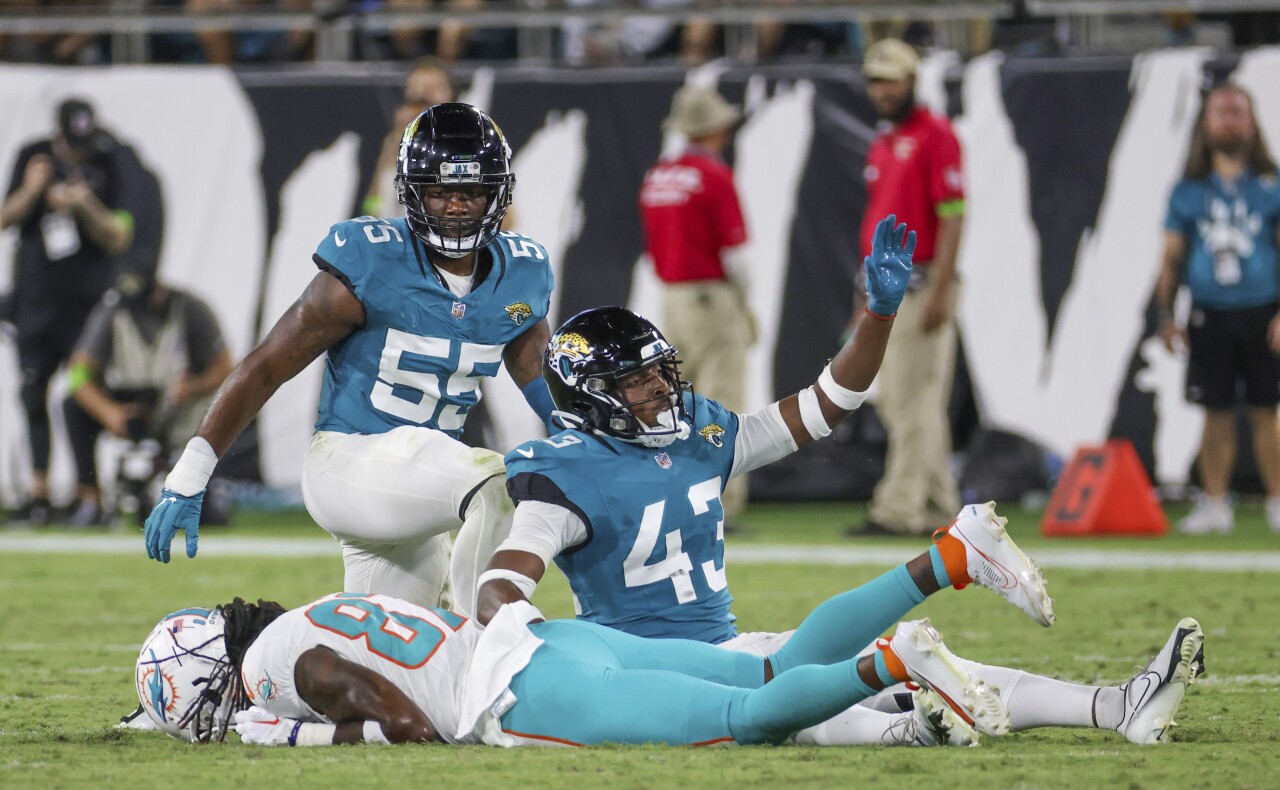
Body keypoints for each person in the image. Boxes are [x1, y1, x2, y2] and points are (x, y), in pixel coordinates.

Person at [472, 219, 1203, 746]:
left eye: (661, 372)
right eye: (637, 382)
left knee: (941, 670)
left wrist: (879, 316)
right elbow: (507, 579)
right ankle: (913, 717)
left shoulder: (698, 433)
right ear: (595, 397)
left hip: (736, 645)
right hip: (651, 671)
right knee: (831, 702)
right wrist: (517, 631)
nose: (663, 391)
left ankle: (1113, 704)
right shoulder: (563, 471)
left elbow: (826, 405)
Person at [142, 103, 559, 620]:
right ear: (410, 191)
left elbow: (550, 390)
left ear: (497, 193)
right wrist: (191, 473)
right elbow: (268, 365)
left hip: (416, 488)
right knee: (498, 481)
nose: (455, 206)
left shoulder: (520, 272)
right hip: (349, 462)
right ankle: (495, 635)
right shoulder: (370, 259)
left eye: (471, 192)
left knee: (395, 654)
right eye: (439, 191)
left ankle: (277, 689)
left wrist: (600, 450)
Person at [136, 589, 1008, 748]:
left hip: (522, 691)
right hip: (551, 638)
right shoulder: (306, 613)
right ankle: (939, 562)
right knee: (766, 669)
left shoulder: (279, 671)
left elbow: (405, 726)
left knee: (746, 724)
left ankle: (891, 660)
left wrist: (299, 738)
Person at [846, 38, 964, 538]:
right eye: (875, 80)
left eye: (891, 79)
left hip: (921, 285)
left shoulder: (936, 135)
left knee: (912, 398)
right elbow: (877, 223)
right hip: (886, 288)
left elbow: (954, 215)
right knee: (901, 399)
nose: (882, 89)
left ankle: (897, 509)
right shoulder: (884, 140)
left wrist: (942, 288)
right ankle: (939, 505)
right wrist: (863, 294)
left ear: (913, 80)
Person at [1, 98, 139, 526]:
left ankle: (89, 495)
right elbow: (5, 218)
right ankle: (38, 495)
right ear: (58, 135)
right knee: (32, 393)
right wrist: (33, 189)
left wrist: (85, 205)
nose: (81, 153)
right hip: (36, 303)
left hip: (86, 309)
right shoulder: (33, 156)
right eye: (73, 144)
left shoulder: (108, 162)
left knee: (82, 395)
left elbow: (119, 236)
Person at [1155, 82, 1280, 534]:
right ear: (1205, 124)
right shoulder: (1188, 190)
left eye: (1237, 112)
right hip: (1210, 312)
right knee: (1216, 412)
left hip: (1263, 312)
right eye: (1221, 112)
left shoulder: (1272, 184)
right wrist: (1165, 316)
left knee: (1268, 410)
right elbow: (1170, 258)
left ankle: (1277, 502)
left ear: (1252, 121)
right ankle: (1214, 503)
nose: (1229, 120)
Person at [639, 84, 757, 526]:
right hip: (712, 295)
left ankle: (676, 497)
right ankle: (720, 504)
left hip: (671, 300)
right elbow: (737, 256)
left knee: (672, 404)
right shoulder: (713, 175)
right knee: (721, 403)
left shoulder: (657, 175)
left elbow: (653, 251)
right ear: (717, 129)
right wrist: (744, 305)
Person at [62, 273, 233, 527]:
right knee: (73, 406)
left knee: (216, 409)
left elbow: (225, 365)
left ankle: (198, 493)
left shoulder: (191, 309)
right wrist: (109, 412)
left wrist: (195, 386)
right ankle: (90, 499)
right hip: (127, 402)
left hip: (178, 405)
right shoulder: (111, 309)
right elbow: (78, 372)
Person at [364, 61, 455, 221]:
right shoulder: (395, 144)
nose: (422, 93)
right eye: (416, 89)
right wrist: (387, 155)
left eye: (432, 88)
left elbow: (505, 219)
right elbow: (372, 211)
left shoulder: (467, 144)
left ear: (450, 94)